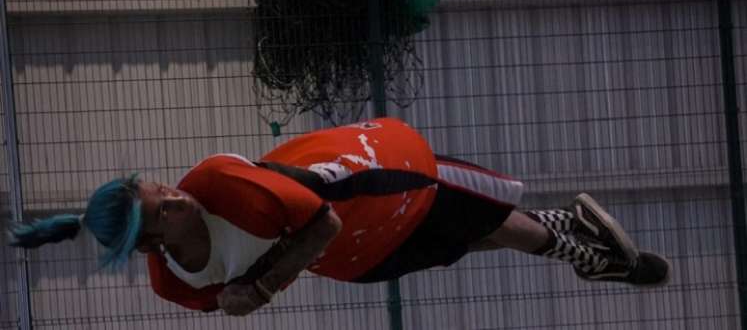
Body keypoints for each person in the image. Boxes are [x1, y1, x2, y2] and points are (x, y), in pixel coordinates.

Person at [8, 118, 670, 316]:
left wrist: (261, 289)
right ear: (153, 242)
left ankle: (591, 254)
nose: (177, 194)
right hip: (358, 256)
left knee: (481, 221)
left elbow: (318, 219)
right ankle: (580, 247)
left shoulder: (217, 181)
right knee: (468, 237)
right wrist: (246, 295)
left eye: (157, 185)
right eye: (165, 209)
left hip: (367, 193)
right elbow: (228, 295)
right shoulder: (174, 282)